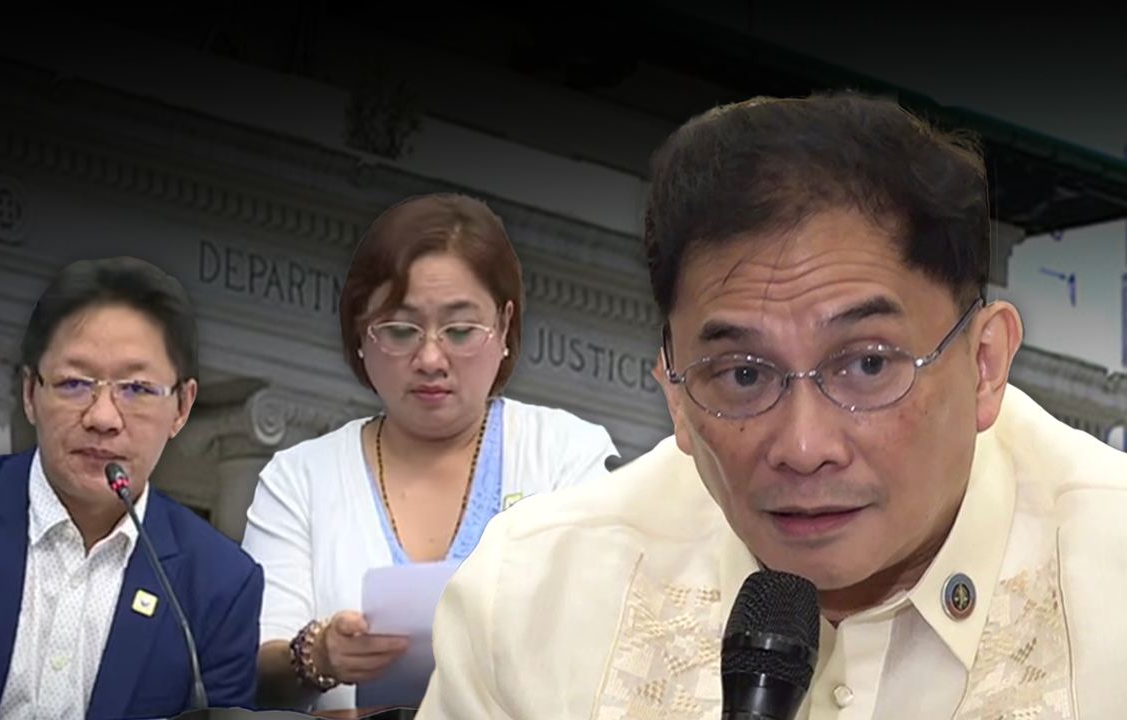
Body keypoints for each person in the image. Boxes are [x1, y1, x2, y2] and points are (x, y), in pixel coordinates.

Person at [415, 92, 1127, 719]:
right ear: (674, 392)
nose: (804, 446)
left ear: (984, 365)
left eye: (868, 365)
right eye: (744, 375)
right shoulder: (531, 602)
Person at [241, 193, 621, 712]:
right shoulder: (300, 479)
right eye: (400, 331)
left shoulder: (568, 457)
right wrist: (319, 655)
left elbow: (610, 639)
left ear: (504, 327)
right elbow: (254, 674)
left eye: (461, 330)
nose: (431, 358)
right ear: (360, 334)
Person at [0, 257, 264, 719]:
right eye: (74, 383)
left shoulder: (220, 584)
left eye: (137, 389)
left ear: (182, 407)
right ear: (30, 392)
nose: (102, 417)